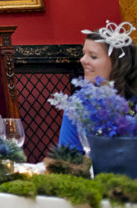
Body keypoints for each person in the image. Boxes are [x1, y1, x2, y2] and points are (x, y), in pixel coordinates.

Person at [58, 21, 137, 150]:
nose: (83, 60)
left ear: (118, 63)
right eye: (84, 54)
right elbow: (67, 159)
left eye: (93, 56)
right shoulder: (78, 106)